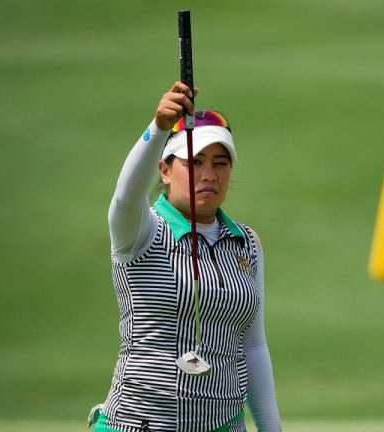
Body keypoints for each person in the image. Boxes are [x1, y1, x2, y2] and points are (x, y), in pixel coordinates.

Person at [91, 81, 282, 432]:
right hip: (140, 424)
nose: (209, 175)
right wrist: (159, 128)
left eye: (220, 163)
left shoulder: (246, 243)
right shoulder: (142, 230)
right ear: (164, 170)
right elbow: (124, 198)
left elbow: (253, 346)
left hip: (225, 424)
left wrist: (272, 429)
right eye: (194, 162)